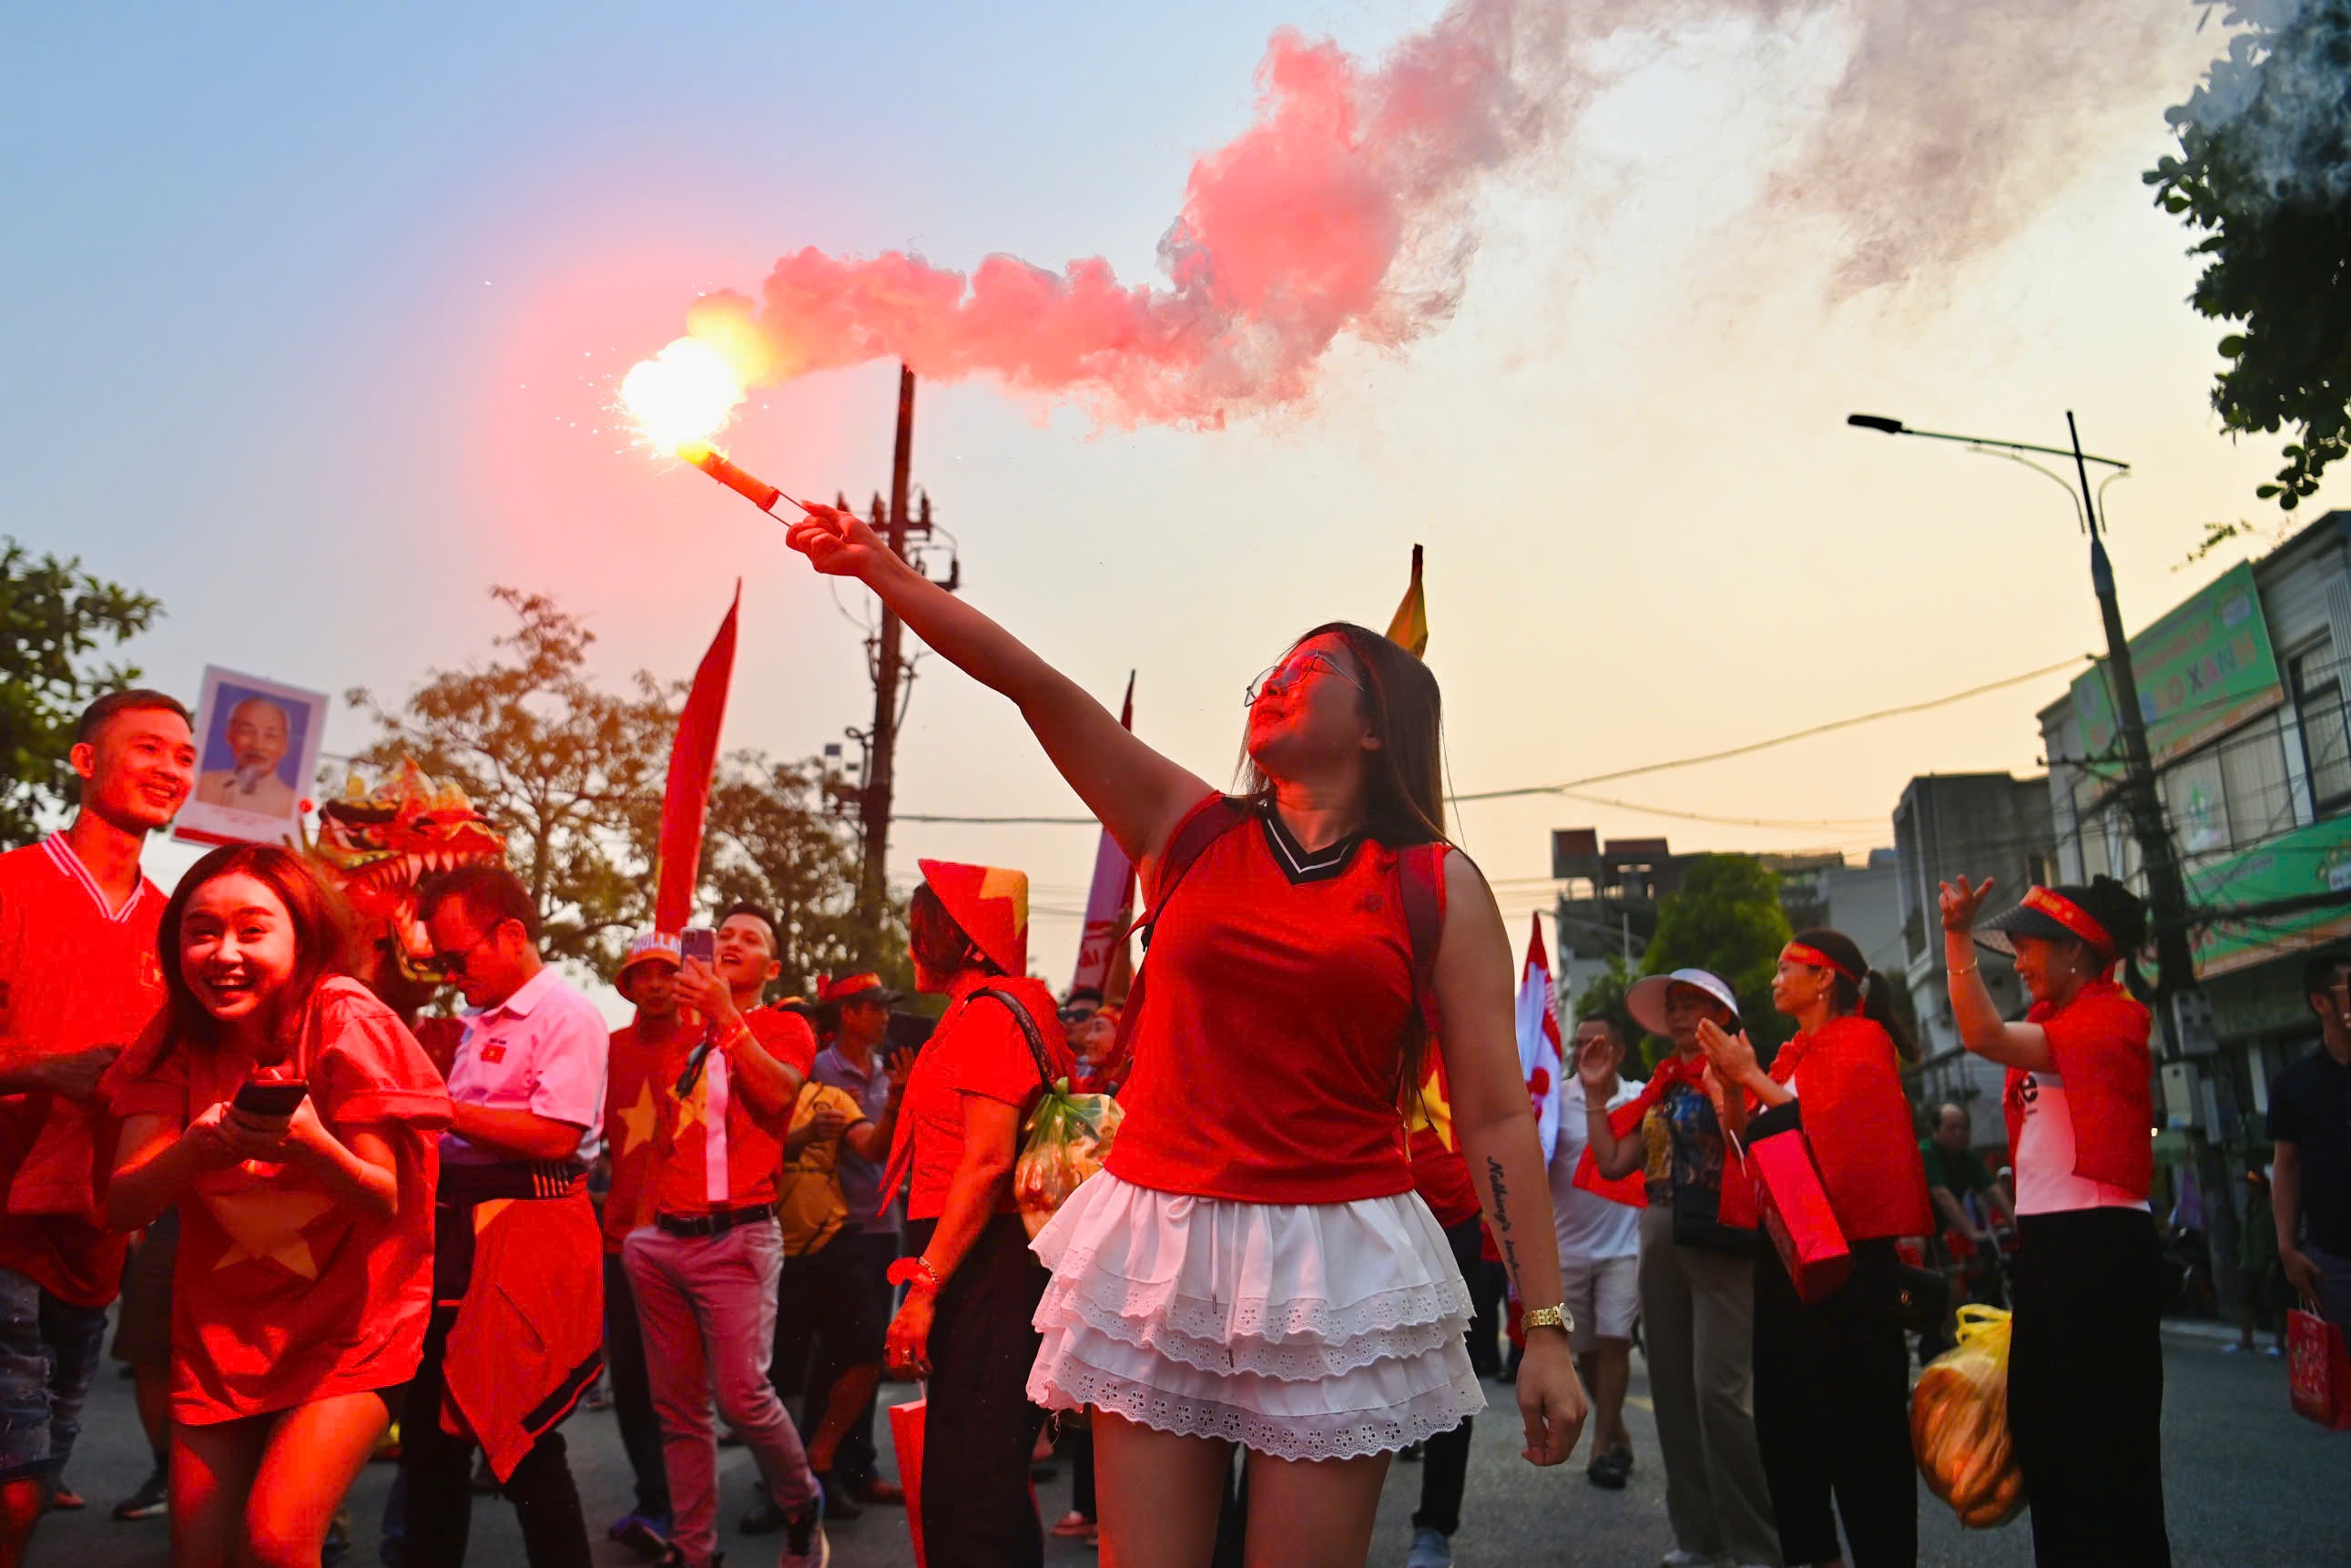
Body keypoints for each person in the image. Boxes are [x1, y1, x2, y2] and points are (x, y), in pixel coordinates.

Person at [787, 498, 1587, 1568]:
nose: (1275, 677)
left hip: (1333, 1257)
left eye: (1312, 667)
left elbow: (1492, 1112)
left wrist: (1542, 1327)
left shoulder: (1436, 884)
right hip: (1161, 1243)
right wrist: (886, 573)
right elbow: (1031, 681)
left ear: (1375, 724)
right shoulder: (1190, 827)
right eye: (1273, 666)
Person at [106, 843, 452, 1568]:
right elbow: (121, 1203)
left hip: (353, 1332)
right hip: (223, 1338)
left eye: (252, 929)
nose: (223, 952)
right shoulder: (174, 1037)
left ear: (304, 936)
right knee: (199, 1554)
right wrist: (193, 1153)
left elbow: (384, 1197)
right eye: (201, 931)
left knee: (275, 1542)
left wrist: (310, 1146)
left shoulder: (346, 1018)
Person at [0, 688, 196, 1565]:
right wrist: (37, 1071)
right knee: (14, 1482)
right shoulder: (11, 885)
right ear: (85, 762)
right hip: (3, 1218)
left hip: (96, 1238)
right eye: (148, 748)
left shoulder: (179, 930)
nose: (170, 770)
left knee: (36, 1482)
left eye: (185, 757)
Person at [1940, 874, 2171, 1568]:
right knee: (2048, 1442)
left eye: (2030, 947)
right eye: (2011, 949)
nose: (2020, 962)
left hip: (2098, 1249)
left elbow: (1980, 1032)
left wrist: (1957, 936)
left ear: (2077, 951)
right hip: (2049, 1245)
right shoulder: (2053, 1025)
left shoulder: (2112, 1018)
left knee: (2105, 1449)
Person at [1699, 930, 1934, 1568]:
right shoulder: (1791, 1056)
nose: (1775, 980)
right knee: (1787, 1428)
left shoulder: (1862, 1044)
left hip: (1852, 1264)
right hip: (1788, 1260)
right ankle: (1816, 1556)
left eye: (1787, 969)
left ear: (1825, 978)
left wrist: (1749, 1075)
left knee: (1862, 1435)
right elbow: (1755, 1149)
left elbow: (1823, 1142)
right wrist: (1730, 1092)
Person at [403, 865, 606, 1568]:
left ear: (512, 935)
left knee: (520, 1439)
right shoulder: (474, 1021)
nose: (453, 975)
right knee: (433, 1441)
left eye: (459, 958)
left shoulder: (566, 1017)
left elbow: (557, 1135)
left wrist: (443, 1110)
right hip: (459, 1239)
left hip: (525, 1234)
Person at [871, 861, 1072, 1568]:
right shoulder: (978, 1009)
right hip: (972, 1256)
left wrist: (923, 1289)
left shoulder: (991, 1012)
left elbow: (985, 1163)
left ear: (962, 936)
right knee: (976, 1479)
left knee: (973, 1487)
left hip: (986, 1260)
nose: (911, 943)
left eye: (920, 929)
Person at [620, 905, 826, 1568]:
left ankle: (802, 1502)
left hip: (736, 1239)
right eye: (724, 935)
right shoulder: (684, 1038)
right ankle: (694, 1549)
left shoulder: (783, 1025)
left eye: (752, 939)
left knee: (741, 1398)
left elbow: (779, 1094)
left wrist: (725, 1016)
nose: (733, 942)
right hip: (663, 1241)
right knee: (678, 1411)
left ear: (773, 968)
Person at [1577, 969, 1778, 1568]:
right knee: (1671, 1389)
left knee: (1719, 1392)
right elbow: (1613, 1162)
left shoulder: (1741, 1071)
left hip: (1721, 1236)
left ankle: (1758, 1544)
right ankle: (1699, 1538)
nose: (1681, 1015)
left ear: (1722, 1012)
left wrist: (1736, 1083)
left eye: (1693, 1004)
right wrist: (1594, 1094)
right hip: (1661, 1230)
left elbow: (1750, 1145)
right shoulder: (1663, 1085)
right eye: (1674, 1006)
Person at [749, 971, 907, 1534]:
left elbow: (871, 1143)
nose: (884, 1015)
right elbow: (753, 1149)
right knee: (792, 1372)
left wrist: (901, 1098)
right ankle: (794, 1481)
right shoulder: (800, 1078)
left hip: (869, 1225)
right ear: (842, 1017)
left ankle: (841, 1467)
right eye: (872, 1006)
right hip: (788, 1238)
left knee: (858, 1353)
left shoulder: (873, 1076)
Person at [597, 932, 683, 1559]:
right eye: (642, 974)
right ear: (626, 985)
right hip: (620, 1241)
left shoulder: (708, 1045)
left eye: (667, 972)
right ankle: (655, 1501)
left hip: (687, 1239)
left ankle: (685, 1504)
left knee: (683, 1384)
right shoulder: (607, 1051)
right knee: (629, 1379)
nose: (655, 984)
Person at [1398, 1054, 1490, 1568]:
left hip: (1454, 1219)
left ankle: (1435, 1525)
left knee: (1450, 1379)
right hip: (1366, 1210)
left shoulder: (1461, 1034)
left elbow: (1502, 1124)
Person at [1551, 1016, 1644, 1492]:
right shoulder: (1552, 1101)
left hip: (1623, 1246)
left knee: (1615, 1341)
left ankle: (1601, 1446)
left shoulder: (1638, 1099)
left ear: (1620, 1052)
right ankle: (1619, 1430)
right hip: (1567, 1246)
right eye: (1579, 1042)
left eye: (1597, 1043)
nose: (1585, 1049)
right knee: (1582, 1350)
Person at [2272, 947, 2351, 1329]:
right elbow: (2286, 1165)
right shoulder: (2294, 1084)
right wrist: (2286, 1246)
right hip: (2333, 1263)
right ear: (2322, 1003)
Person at [193, 697, 298, 819]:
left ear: (285, 745)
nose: (257, 745)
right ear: (229, 735)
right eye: (247, 731)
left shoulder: (292, 804)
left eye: (270, 736)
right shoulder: (203, 784)